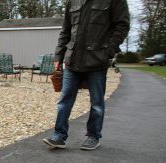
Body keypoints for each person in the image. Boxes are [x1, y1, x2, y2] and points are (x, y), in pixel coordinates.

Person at [43, 0, 130, 150]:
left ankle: (93, 136)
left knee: (97, 103)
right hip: (73, 60)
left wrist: (108, 51)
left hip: (97, 61)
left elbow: (122, 26)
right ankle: (59, 136)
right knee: (64, 101)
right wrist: (59, 56)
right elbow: (66, 30)